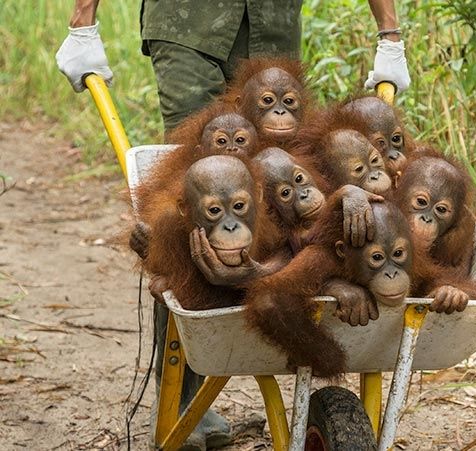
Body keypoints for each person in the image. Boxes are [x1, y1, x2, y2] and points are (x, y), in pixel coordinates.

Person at [56, 1, 410, 449]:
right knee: (210, 174)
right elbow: (183, 193)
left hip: (273, 17)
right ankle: (185, 396)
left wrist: (389, 33)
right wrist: (83, 20)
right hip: (189, 22)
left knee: (290, 159)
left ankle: (285, 288)